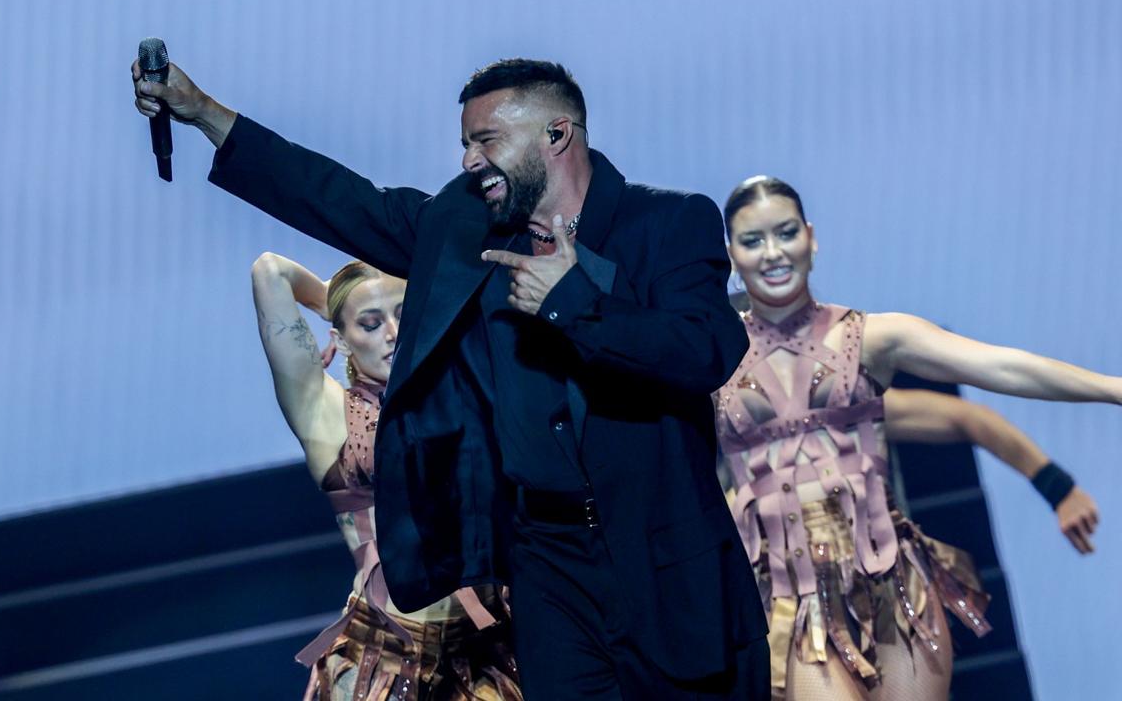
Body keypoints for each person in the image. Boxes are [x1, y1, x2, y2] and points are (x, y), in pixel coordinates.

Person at [131, 58, 770, 700]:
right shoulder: (462, 232)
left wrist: (572, 299)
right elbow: (343, 202)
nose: (468, 160)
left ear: (557, 135)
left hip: (665, 560)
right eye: (465, 142)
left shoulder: (666, 223)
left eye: (485, 140)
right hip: (547, 566)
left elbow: (704, 348)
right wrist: (207, 113)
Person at [714, 175, 1111, 701]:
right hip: (787, 598)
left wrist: (1113, 391)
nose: (773, 252)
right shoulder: (709, 357)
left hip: (891, 583)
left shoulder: (870, 339)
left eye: (786, 233)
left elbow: (1000, 370)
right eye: (753, 240)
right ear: (731, 254)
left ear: (811, 237)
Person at [250, 253, 521, 700]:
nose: (393, 334)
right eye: (370, 324)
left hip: (489, 650)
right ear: (342, 337)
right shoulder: (326, 412)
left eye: (403, 314)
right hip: (383, 662)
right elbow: (269, 271)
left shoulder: (464, 390)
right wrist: (333, 302)